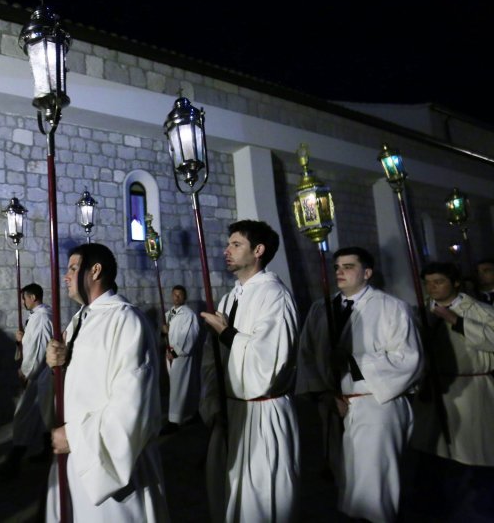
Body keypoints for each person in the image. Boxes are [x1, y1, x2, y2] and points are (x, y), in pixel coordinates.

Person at [296, 246, 422, 523]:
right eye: (337, 267)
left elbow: (408, 358)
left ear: (367, 272)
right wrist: (325, 394)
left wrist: (354, 361)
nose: (340, 272)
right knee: (349, 480)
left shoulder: (391, 307)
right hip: (336, 404)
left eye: (349, 267)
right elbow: (306, 353)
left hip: (377, 403)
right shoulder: (322, 309)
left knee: (375, 480)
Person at [45, 243, 169, 521]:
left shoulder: (126, 321)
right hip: (78, 456)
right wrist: (58, 364)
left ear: (95, 271)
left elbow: (131, 406)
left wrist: (75, 436)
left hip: (109, 463)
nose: (65, 276)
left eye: (73, 268)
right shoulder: (79, 321)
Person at [199, 219, 300, 522]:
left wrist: (228, 335)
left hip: (262, 413)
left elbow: (270, 362)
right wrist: (213, 401)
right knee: (227, 496)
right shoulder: (231, 297)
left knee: (260, 501)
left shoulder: (275, 296)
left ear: (258, 250)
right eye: (228, 243)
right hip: (231, 412)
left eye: (236, 244)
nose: (226, 250)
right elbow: (211, 358)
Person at [409, 261, 494, 518]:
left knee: (474, 452)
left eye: (439, 281)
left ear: (455, 283)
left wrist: (457, 321)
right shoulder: (422, 313)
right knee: (434, 454)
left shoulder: (480, 310)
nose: (432, 287)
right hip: (434, 388)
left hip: (472, 388)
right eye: (428, 283)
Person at [0, 283, 54, 478]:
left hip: (39, 374)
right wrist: (21, 341)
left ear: (32, 298)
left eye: (24, 298)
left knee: (24, 415)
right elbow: (31, 343)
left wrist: (26, 371)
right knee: (43, 416)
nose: (22, 302)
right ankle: (46, 453)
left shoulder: (41, 318)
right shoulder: (37, 317)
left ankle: (14, 460)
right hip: (38, 374)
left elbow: (38, 349)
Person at [160, 285, 200, 432]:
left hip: (181, 356)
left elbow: (189, 336)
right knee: (180, 387)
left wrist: (175, 353)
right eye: (174, 295)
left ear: (184, 297)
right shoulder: (168, 313)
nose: (176, 297)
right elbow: (166, 335)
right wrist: (164, 332)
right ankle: (190, 413)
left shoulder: (188, 315)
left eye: (179, 295)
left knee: (179, 387)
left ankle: (174, 421)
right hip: (170, 355)